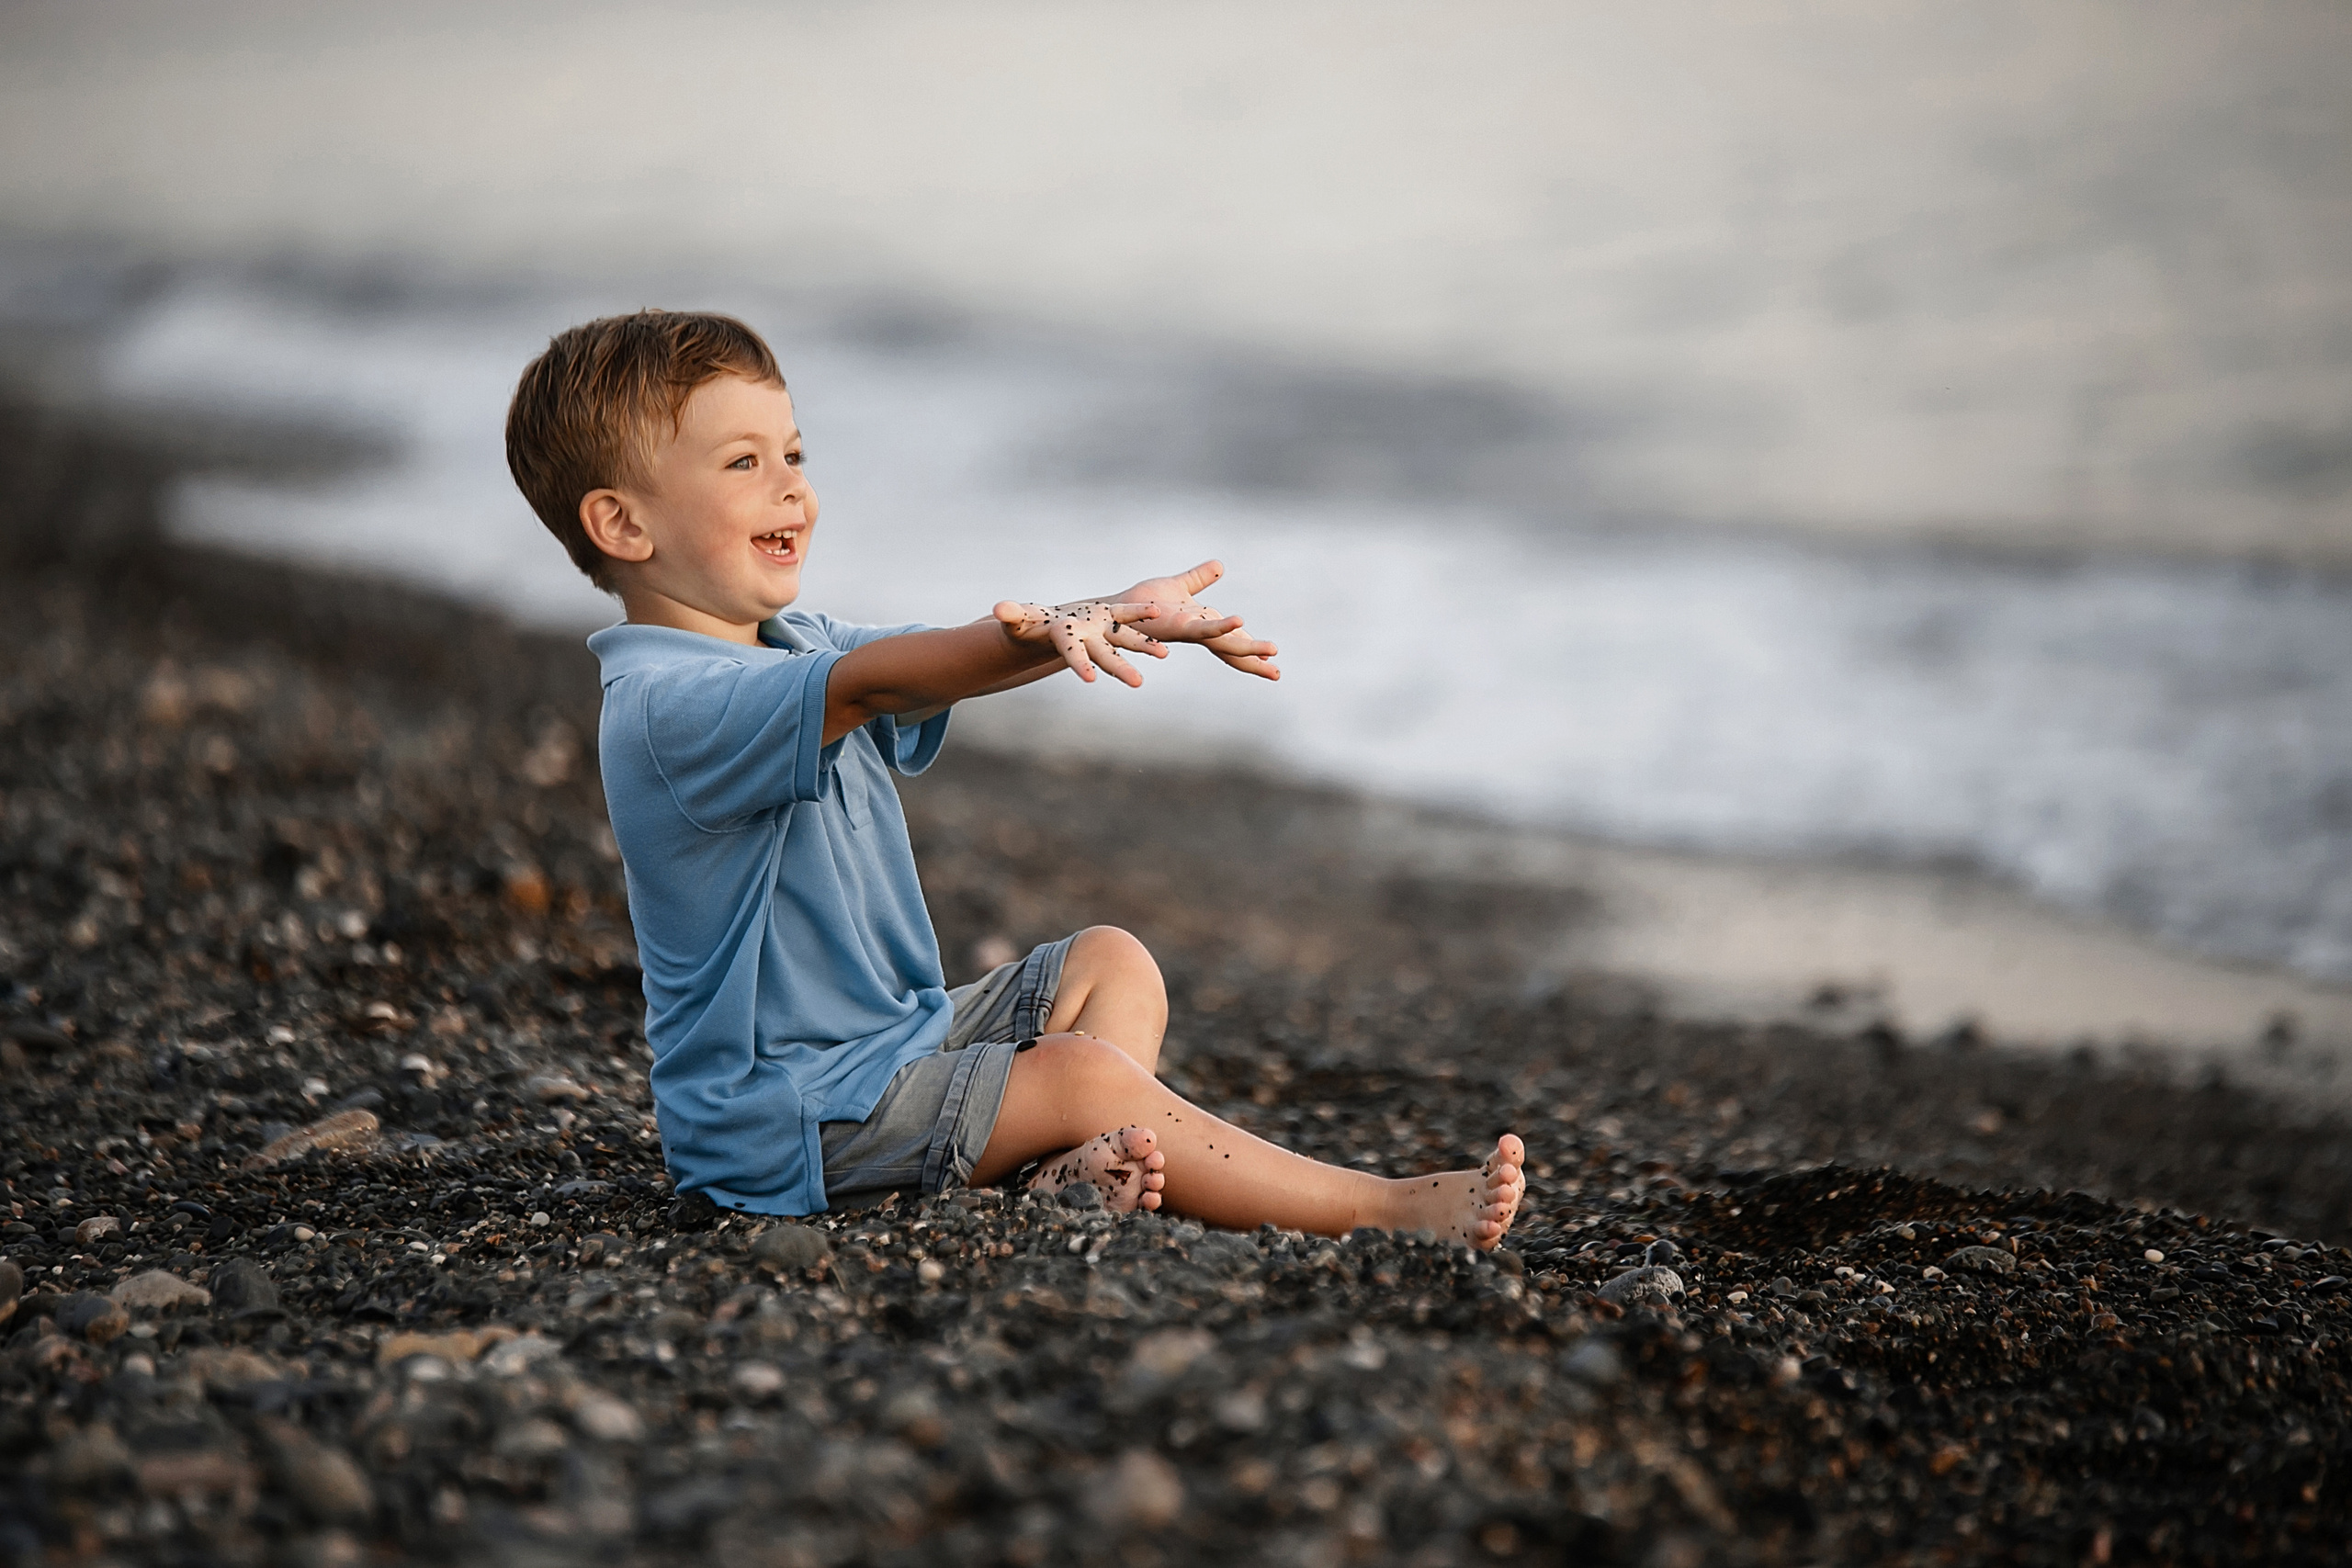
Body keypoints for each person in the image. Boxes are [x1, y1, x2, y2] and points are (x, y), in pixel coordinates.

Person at [504, 309, 1523, 1247]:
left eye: (795, 453)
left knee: (1110, 963)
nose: (792, 487)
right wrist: (1087, 620)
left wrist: (1112, 609)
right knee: (1082, 1075)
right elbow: (882, 678)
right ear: (624, 527)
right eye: (743, 463)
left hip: (890, 1047)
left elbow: (960, 649)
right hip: (785, 1124)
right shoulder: (671, 709)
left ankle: (1056, 1178)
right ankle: (1377, 1208)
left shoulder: (786, 642)